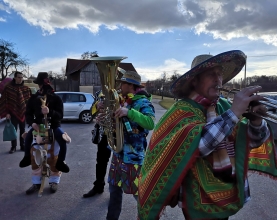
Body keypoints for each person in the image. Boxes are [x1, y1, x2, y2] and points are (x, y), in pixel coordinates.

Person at [138, 50, 277, 220]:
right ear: (194, 81)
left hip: (225, 193)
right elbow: (198, 146)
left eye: (220, 74)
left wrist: (256, 122)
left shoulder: (223, 105)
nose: (218, 80)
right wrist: (233, 113)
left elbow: (250, 141)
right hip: (197, 200)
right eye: (211, 74)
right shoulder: (181, 109)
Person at [104, 71, 155, 220]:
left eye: (123, 83)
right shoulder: (121, 100)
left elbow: (150, 123)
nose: (119, 86)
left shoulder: (143, 102)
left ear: (131, 85)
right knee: (114, 191)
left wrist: (130, 112)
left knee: (139, 194)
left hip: (134, 159)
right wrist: (105, 117)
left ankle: (147, 217)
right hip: (118, 154)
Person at [19, 72, 70, 180]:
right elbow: (28, 114)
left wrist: (50, 111)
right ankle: (27, 157)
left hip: (54, 126)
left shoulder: (56, 98)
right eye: (40, 85)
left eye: (42, 85)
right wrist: (32, 123)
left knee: (62, 139)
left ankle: (60, 162)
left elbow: (60, 115)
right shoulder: (33, 98)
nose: (41, 87)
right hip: (38, 126)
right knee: (28, 138)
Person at [83, 90, 112, 198]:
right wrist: (97, 106)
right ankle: (98, 186)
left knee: (118, 165)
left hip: (118, 134)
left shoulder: (123, 91)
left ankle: (115, 193)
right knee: (100, 162)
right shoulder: (101, 93)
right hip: (103, 134)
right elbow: (91, 112)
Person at [0, 71, 32, 153]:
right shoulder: (9, 88)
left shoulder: (26, 89)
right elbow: (5, 101)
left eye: (21, 77)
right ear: (14, 77)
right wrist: (6, 113)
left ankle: (22, 145)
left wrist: (29, 112)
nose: (20, 79)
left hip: (23, 112)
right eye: (18, 77)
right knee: (13, 129)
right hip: (12, 112)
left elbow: (29, 102)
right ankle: (13, 147)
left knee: (22, 130)